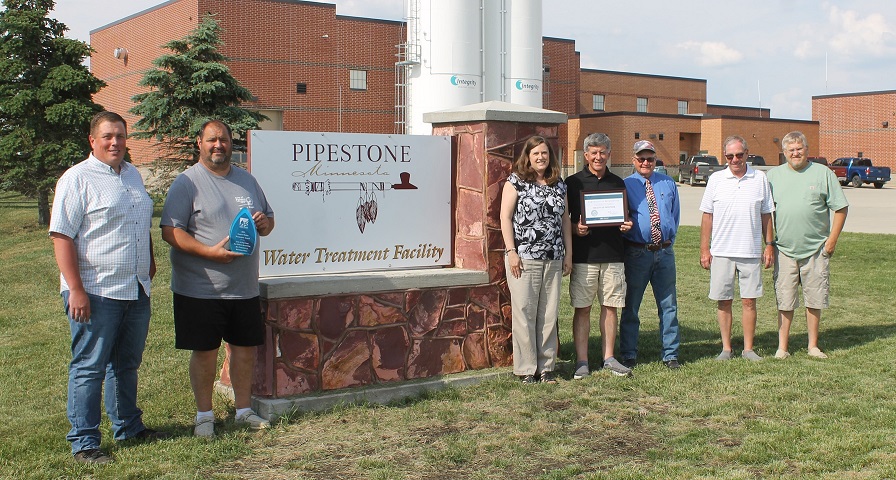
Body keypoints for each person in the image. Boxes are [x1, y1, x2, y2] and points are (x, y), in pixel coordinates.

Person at [50, 111, 169, 464]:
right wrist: (76, 289)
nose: (115, 142)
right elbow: (61, 236)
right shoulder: (77, 179)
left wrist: (148, 260)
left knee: (126, 363)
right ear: (93, 140)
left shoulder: (132, 174)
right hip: (95, 290)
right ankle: (84, 442)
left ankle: (129, 427)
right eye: (107, 136)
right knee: (90, 366)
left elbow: (139, 219)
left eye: (120, 135)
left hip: (135, 287)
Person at [161, 119, 276, 437]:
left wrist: (264, 223)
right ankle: (204, 416)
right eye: (211, 139)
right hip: (200, 288)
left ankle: (243, 411)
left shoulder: (247, 181)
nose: (218, 145)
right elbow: (170, 231)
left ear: (230, 143)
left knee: (244, 351)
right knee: (205, 352)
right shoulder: (188, 183)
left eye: (223, 139)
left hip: (243, 287)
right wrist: (209, 254)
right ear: (200, 142)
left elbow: (268, 222)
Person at [766, 131, 848, 360]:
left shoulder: (823, 174)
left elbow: (840, 208)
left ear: (807, 150)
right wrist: (769, 244)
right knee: (785, 299)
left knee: (814, 299)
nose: (795, 153)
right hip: (784, 249)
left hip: (815, 250)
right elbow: (765, 213)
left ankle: (813, 345)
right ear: (784, 153)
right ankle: (782, 347)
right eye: (791, 150)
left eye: (799, 149)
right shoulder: (773, 177)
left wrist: (831, 241)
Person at [500, 135, 572, 384]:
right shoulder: (516, 182)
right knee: (524, 313)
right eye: (536, 153)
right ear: (527, 157)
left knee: (549, 314)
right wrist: (512, 252)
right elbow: (505, 218)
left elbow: (565, 220)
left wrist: (568, 255)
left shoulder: (558, 184)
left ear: (550, 155)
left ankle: (547, 367)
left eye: (544, 153)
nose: (541, 157)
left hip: (553, 258)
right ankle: (526, 368)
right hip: (524, 258)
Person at [699, 136, 775, 362]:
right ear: (725, 157)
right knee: (724, 300)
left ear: (747, 154)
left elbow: (766, 215)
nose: (735, 159)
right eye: (730, 156)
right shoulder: (716, 179)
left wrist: (769, 245)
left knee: (749, 301)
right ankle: (726, 348)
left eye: (739, 155)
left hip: (750, 251)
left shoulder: (760, 178)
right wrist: (705, 248)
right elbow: (707, 216)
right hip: (721, 251)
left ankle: (748, 349)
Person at [565, 133, 633, 378]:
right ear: (585, 155)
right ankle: (582, 361)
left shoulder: (618, 182)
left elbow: (625, 215)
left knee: (610, 306)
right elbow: (565, 222)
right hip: (584, 257)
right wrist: (576, 229)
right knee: (582, 308)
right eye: (593, 152)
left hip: (613, 256)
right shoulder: (572, 183)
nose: (598, 157)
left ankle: (609, 358)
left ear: (609, 154)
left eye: (602, 152)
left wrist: (627, 224)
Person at [619, 140, 682, 369]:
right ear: (634, 160)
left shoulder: (668, 182)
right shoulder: (625, 185)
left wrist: (667, 242)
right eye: (641, 158)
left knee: (668, 305)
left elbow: (674, 216)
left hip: (664, 253)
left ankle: (671, 354)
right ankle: (628, 353)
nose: (646, 162)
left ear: (656, 160)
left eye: (650, 159)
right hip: (637, 253)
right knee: (631, 305)